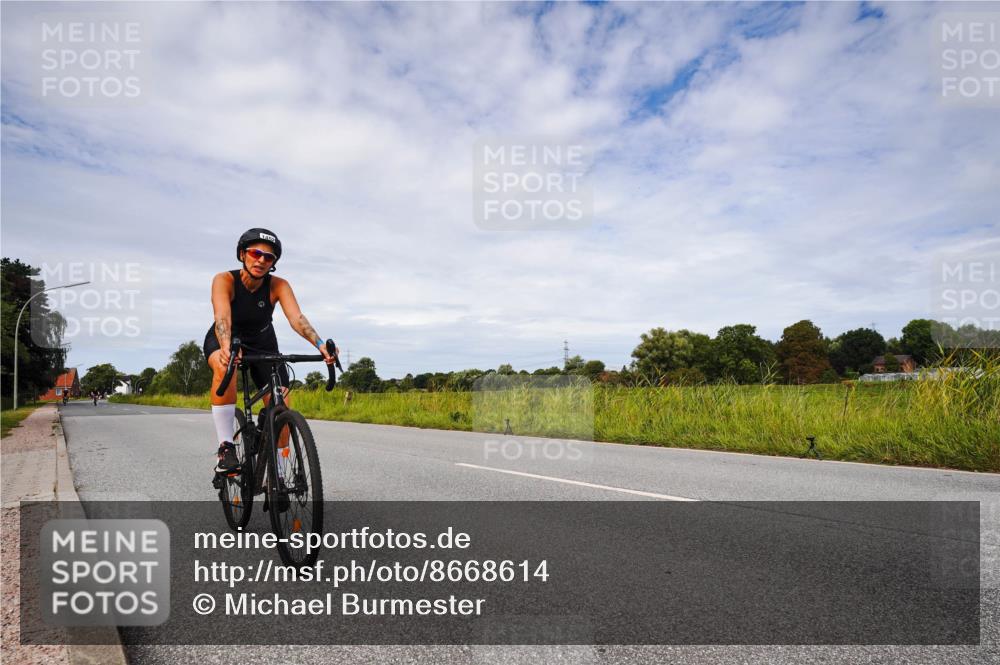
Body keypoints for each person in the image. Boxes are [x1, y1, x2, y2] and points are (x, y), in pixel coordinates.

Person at [203, 228, 337, 474]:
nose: (261, 260)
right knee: (225, 366)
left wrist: (320, 345)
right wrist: (227, 348)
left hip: (263, 342)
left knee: (282, 404)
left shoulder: (278, 285)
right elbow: (222, 317)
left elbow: (297, 319)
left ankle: (277, 476)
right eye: (256, 253)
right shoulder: (224, 280)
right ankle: (226, 448)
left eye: (269, 257)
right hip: (226, 337)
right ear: (243, 254)